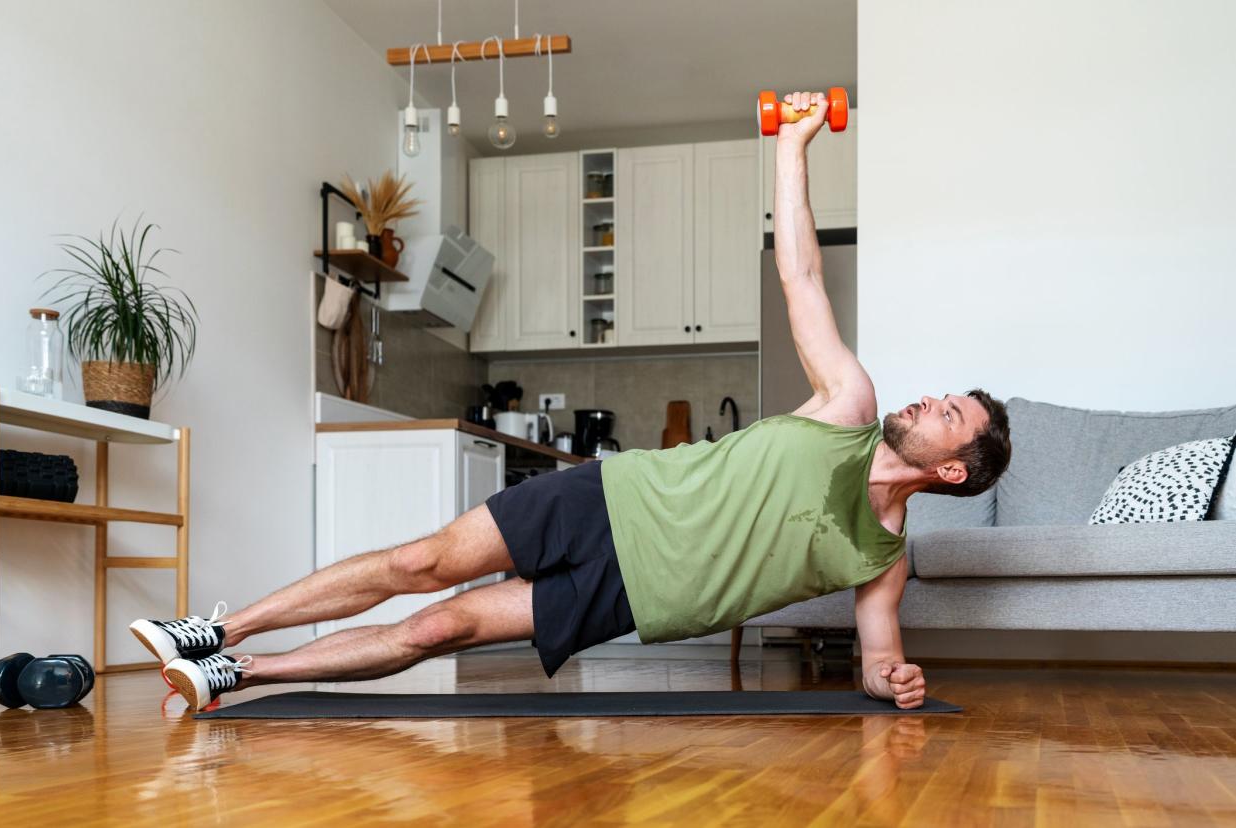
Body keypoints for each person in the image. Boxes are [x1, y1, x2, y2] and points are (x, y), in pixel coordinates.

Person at [130, 91, 1012, 712]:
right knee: (418, 566)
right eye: (943, 397)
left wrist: (890, 683)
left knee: (440, 626)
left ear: (946, 468)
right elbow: (801, 274)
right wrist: (790, 148)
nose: (929, 399)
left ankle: (240, 674)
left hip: (636, 593)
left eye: (949, 414)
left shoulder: (882, 557)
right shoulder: (849, 406)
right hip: (609, 497)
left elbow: (879, 658)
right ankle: (214, 628)